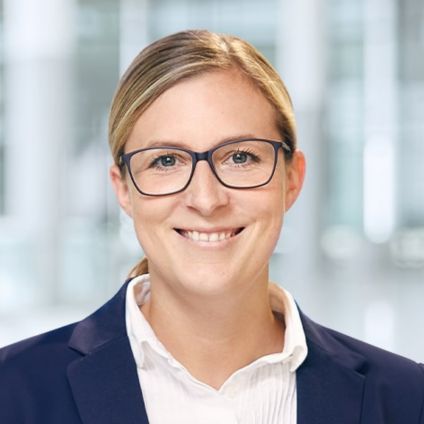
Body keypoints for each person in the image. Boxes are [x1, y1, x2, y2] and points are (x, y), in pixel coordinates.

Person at [0, 29, 423, 424]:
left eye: (240, 157)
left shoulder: (407, 399)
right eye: (166, 160)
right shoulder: (12, 392)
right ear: (123, 189)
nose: (206, 199)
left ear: (292, 178)